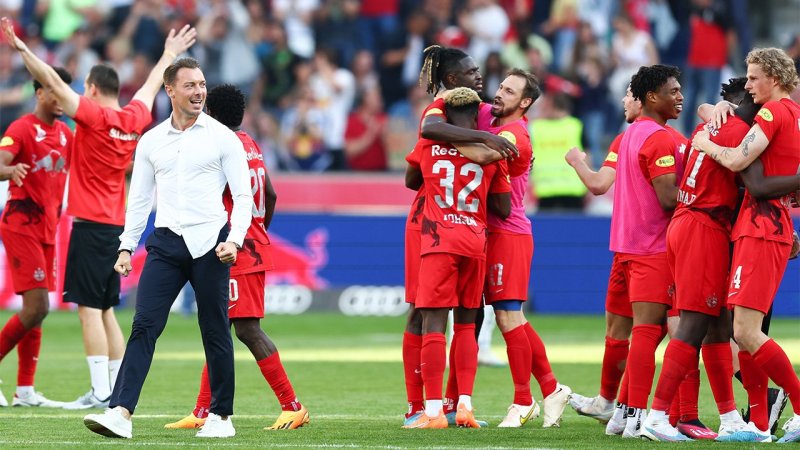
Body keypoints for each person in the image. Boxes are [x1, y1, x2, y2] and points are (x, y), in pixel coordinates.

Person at [0, 17, 198, 410]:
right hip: (119, 227)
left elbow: (52, 84)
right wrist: (169, 55)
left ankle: (100, 391)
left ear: (91, 89)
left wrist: (22, 50)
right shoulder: (136, 118)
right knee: (107, 310)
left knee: (89, 310)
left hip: (90, 226)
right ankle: (116, 388)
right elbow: (151, 85)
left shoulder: (92, 117)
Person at [82, 57, 250, 439]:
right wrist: (126, 247)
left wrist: (234, 240)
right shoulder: (151, 140)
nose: (199, 92)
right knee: (144, 325)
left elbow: (243, 196)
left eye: (202, 84)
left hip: (211, 243)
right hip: (166, 243)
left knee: (214, 330)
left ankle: (221, 417)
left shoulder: (222, 136)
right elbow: (139, 199)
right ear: (169, 89)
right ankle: (120, 413)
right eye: (190, 85)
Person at [163, 84, 308, 431]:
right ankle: (202, 411)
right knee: (220, 325)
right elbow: (270, 194)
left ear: (210, 113)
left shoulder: (220, 147)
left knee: (246, 329)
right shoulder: (250, 144)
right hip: (248, 245)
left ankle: (292, 405)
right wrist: (258, 231)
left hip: (235, 250)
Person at [640, 78, 761, 442]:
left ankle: (729, 417)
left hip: (689, 222)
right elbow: (756, 182)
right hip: (702, 226)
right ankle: (657, 416)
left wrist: (712, 107)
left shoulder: (713, 122)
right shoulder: (741, 133)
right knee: (694, 324)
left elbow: (709, 113)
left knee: (718, 325)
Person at [401, 44, 514, 427]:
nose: (480, 78)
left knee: (428, 319)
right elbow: (503, 207)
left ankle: (428, 410)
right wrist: (488, 147)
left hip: (436, 236)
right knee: (468, 322)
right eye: (472, 72)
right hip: (475, 238)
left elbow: (411, 178)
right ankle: (462, 405)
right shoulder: (489, 142)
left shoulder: (430, 142)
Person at [692, 47, 800, 444]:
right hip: (763, 227)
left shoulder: (773, 112)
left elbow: (739, 161)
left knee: (747, 331)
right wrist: (713, 107)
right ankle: (757, 423)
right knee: (744, 331)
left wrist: (705, 144)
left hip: (761, 227)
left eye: (754, 77)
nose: (750, 85)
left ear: (773, 77)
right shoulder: (794, 114)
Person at [480, 69, 572, 428]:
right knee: (512, 317)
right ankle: (551, 388)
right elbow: (470, 108)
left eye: (509, 91)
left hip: (508, 233)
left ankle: (522, 400)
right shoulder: (498, 118)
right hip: (497, 233)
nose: (499, 94)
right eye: (500, 87)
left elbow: (475, 149)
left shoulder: (514, 134)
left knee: (507, 316)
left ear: (526, 102)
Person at [610, 64, 685, 438]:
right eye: (673, 90)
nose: (680, 96)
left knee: (647, 331)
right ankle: (639, 417)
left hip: (628, 245)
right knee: (647, 331)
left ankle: (622, 413)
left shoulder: (630, 135)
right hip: (653, 245)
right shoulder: (659, 138)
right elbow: (669, 197)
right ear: (651, 97)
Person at [565, 86, 641, 424]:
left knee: (668, 330)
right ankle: (609, 401)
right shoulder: (624, 140)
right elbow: (601, 184)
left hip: (650, 249)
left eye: (628, 95)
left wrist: (578, 160)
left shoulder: (659, 140)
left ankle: (666, 412)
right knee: (618, 328)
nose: (623, 100)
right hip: (627, 248)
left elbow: (596, 184)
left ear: (645, 98)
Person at [0, 67, 73, 407]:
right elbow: (0, 163)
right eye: (54, 90)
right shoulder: (21, 129)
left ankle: (25, 391)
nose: (60, 98)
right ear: (40, 94)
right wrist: (10, 170)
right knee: (38, 305)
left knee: (38, 309)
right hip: (20, 224)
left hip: (47, 229)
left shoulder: (66, 134)